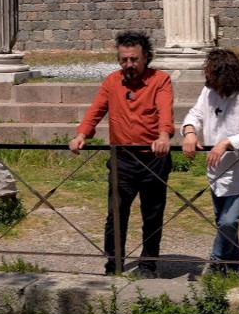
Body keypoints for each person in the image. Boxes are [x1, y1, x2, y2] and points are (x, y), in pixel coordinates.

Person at [69, 31, 174, 277]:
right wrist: (82, 134)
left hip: (153, 159)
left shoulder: (161, 80)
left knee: (152, 215)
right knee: (115, 215)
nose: (129, 65)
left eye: (134, 59)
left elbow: (165, 111)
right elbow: (96, 111)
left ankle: (148, 264)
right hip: (122, 160)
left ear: (146, 57)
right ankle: (113, 263)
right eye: (124, 60)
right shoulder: (111, 82)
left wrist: (164, 135)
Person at [181, 49, 239, 275]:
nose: (209, 81)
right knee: (226, 227)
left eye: (212, 76)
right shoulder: (208, 91)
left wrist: (227, 142)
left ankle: (215, 263)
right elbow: (195, 115)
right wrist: (189, 132)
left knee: (228, 222)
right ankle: (231, 272)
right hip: (216, 173)